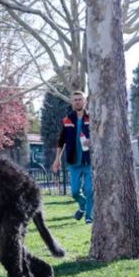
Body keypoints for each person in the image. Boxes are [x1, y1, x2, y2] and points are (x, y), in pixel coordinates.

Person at [52, 91, 93, 224]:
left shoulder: (92, 118)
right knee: (75, 191)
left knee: (89, 189)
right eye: (75, 99)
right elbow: (60, 141)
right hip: (73, 162)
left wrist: (91, 141)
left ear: (85, 101)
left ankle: (89, 216)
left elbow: (100, 135)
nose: (77, 102)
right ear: (72, 102)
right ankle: (83, 206)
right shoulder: (67, 120)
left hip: (89, 161)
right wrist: (57, 159)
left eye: (80, 99)